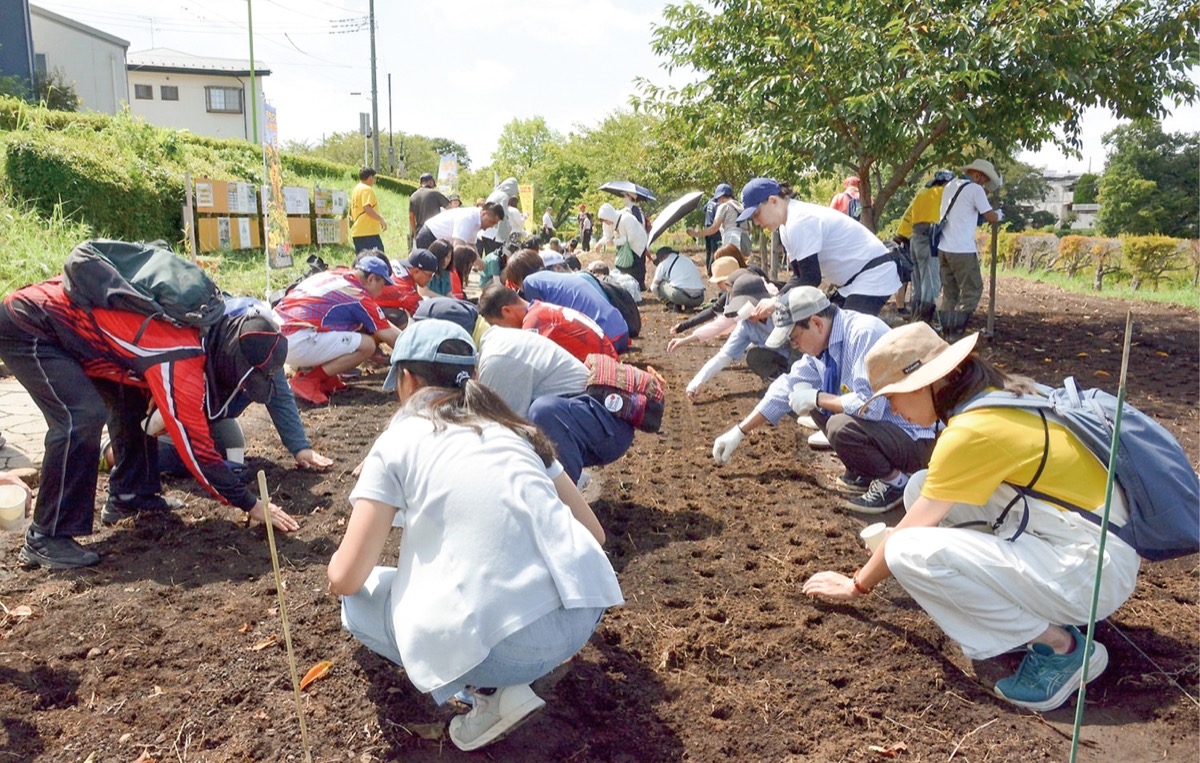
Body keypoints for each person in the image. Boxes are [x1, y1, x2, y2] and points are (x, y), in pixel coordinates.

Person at [802, 321, 1139, 712]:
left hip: (1089, 572)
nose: (892, 409)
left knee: (908, 551)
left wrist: (856, 585)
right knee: (919, 488)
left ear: (926, 384)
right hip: (1087, 544)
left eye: (893, 396)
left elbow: (907, 536)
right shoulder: (999, 397)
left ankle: (1061, 648)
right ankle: (1031, 612)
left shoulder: (971, 431)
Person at [328, 319, 622, 752]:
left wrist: (336, 573)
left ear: (407, 380)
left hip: (505, 649)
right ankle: (510, 680)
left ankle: (488, 691)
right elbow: (593, 534)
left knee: (357, 602)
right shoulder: (517, 430)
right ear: (474, 376)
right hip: (583, 613)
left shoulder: (398, 441)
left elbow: (347, 577)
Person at [0, 278, 300, 568]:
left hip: (83, 335)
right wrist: (252, 504)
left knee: (134, 396)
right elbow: (198, 451)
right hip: (33, 323)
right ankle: (46, 537)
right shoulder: (182, 356)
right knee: (80, 416)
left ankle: (131, 496)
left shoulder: (208, 327)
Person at [710, 287, 936, 513]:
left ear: (816, 323)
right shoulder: (822, 349)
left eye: (795, 338)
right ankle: (868, 470)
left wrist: (818, 398)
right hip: (889, 431)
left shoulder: (863, 334)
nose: (795, 346)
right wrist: (739, 431)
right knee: (812, 401)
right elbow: (785, 386)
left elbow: (871, 406)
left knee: (837, 423)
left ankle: (895, 482)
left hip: (917, 436)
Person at [154, 297, 332, 475]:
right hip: (167, 405)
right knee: (178, 456)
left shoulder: (263, 347)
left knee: (229, 449)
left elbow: (279, 396)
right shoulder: (195, 347)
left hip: (208, 411)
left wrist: (300, 447)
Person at [476, 325, 635, 484]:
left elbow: (503, 435)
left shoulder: (496, 360)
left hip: (610, 428)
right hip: (597, 418)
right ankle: (567, 479)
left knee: (540, 413)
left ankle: (566, 487)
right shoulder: (498, 339)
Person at [737, 177, 900, 316]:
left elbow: (811, 278)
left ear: (773, 201)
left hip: (873, 274)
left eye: (756, 214)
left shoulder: (799, 220)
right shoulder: (786, 227)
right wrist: (777, 298)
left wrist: (777, 302)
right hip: (854, 281)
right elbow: (799, 276)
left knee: (847, 332)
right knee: (831, 330)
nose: (756, 223)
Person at [273, 254, 402, 404]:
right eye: (382, 285)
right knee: (367, 345)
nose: (382, 291)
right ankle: (307, 381)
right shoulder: (357, 295)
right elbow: (391, 337)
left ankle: (326, 378)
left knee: (346, 330)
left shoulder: (337, 274)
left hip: (277, 333)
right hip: (294, 339)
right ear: (371, 279)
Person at [678, 273, 792, 400]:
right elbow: (723, 357)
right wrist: (696, 383)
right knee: (754, 356)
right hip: (780, 359)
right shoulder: (745, 325)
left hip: (800, 356)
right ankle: (778, 383)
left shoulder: (782, 310)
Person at [503, 251, 630, 353]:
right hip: (621, 332)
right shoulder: (560, 277)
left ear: (518, 280)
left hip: (606, 340)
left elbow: (537, 321)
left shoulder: (530, 282)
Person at [937, 159, 1004, 340]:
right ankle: (957, 331)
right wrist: (999, 214)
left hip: (944, 247)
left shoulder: (950, 186)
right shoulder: (975, 189)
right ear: (978, 175)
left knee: (950, 293)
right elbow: (990, 216)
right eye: (984, 180)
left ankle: (946, 332)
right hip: (962, 250)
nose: (984, 185)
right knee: (972, 290)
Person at [477, 284, 618, 362]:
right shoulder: (540, 308)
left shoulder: (534, 323)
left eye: (498, 325)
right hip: (607, 361)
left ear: (507, 311)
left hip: (601, 376)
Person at [896, 169, 954, 324]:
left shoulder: (922, 193)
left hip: (915, 239)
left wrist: (900, 234)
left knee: (917, 283)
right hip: (929, 239)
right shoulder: (944, 194)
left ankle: (915, 319)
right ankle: (925, 321)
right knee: (931, 284)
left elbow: (908, 216)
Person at [595, 201, 649, 290]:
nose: (605, 222)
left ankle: (639, 287)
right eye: (603, 220)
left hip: (637, 244)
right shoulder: (607, 223)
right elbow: (607, 236)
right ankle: (626, 287)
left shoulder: (627, 219)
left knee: (637, 267)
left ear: (610, 216)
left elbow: (631, 238)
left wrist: (614, 242)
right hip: (622, 245)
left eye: (605, 220)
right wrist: (600, 243)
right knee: (622, 266)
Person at [687, 183, 751, 260]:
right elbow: (750, 228)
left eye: (718, 199)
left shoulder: (724, 206)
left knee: (730, 264)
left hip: (731, 239)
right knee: (742, 264)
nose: (718, 201)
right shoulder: (741, 207)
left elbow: (714, 228)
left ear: (722, 197)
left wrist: (696, 234)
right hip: (745, 239)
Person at [415, 201, 504, 251]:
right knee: (429, 271)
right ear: (483, 214)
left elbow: (470, 245)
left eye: (495, 224)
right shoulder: (469, 218)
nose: (491, 226)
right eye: (491, 222)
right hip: (429, 236)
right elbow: (458, 246)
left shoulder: (477, 221)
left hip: (441, 242)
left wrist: (478, 262)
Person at [648, 246, 706, 312]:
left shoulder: (663, 264)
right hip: (699, 298)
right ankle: (689, 307)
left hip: (681, 296)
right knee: (679, 283)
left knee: (661, 283)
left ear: (662, 257)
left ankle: (672, 306)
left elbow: (653, 287)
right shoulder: (687, 259)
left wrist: (661, 298)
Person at [350, 167, 388, 253]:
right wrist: (381, 219)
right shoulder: (366, 189)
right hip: (368, 232)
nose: (374, 180)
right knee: (377, 257)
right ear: (370, 177)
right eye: (374, 178)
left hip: (357, 232)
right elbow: (367, 208)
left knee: (362, 259)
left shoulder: (356, 189)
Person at [406, 172, 448, 247]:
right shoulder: (435, 193)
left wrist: (415, 233)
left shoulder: (413, 196)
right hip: (434, 231)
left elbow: (411, 217)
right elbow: (450, 208)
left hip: (420, 232)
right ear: (430, 182)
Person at [700, 192, 722, 275]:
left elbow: (704, 209)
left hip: (706, 228)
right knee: (714, 251)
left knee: (708, 251)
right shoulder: (718, 205)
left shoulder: (710, 202)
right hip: (713, 228)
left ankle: (708, 270)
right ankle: (711, 271)